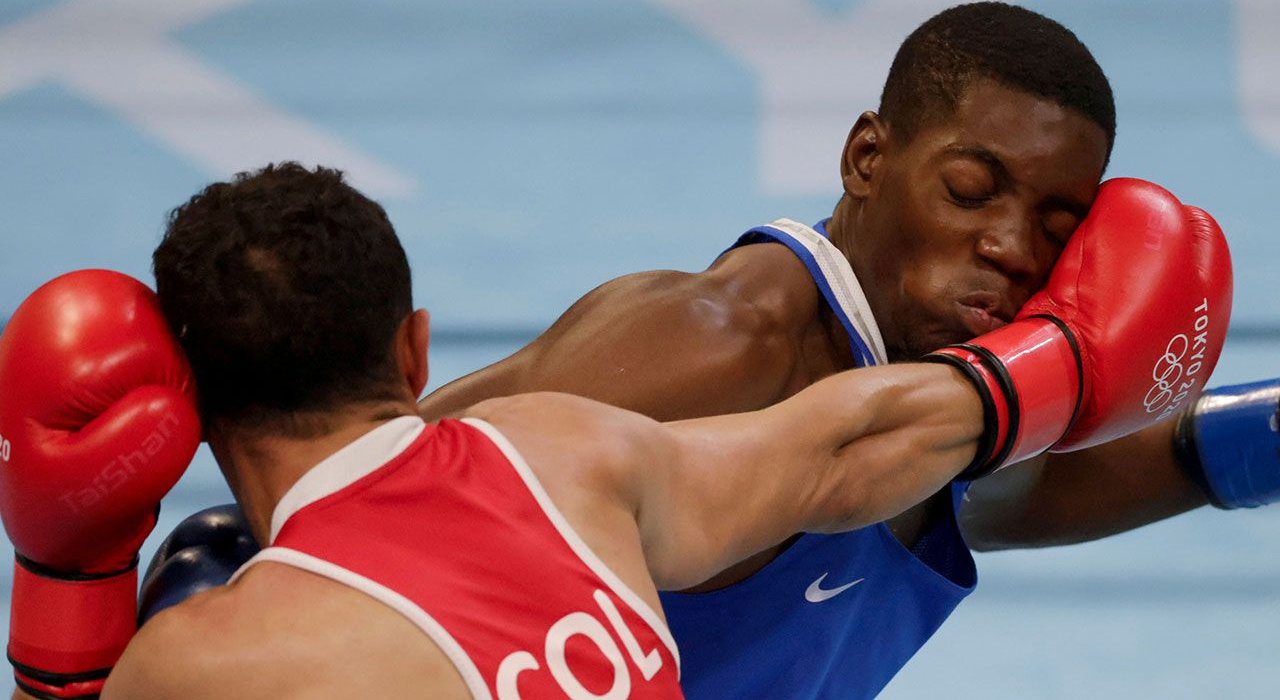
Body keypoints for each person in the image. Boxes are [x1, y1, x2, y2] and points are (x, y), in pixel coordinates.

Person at [0, 162, 1228, 698]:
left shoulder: (202, 666)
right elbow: (848, 448)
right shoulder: (566, 454)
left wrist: (67, 576)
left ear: (201, 411)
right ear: (416, 348)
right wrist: (1057, 365)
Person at [410, 1, 1263, 699]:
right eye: (971, 190)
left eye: (1056, 226)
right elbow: (362, 496)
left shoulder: (937, 393)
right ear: (866, 157)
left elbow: (1013, 496)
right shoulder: (721, 345)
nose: (1009, 245)